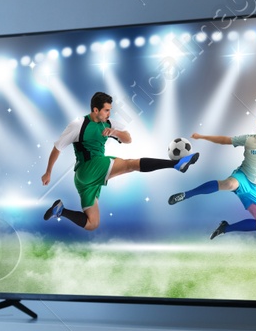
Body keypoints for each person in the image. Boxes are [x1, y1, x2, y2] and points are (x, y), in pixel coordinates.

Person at [40, 91, 198, 230]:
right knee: (131, 164)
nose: (109, 114)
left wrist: (114, 132)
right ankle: (175, 164)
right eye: (106, 110)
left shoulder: (109, 123)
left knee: (92, 224)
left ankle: (61, 210)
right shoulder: (78, 124)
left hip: (83, 180)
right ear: (96, 110)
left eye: (110, 110)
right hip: (90, 166)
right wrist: (48, 172)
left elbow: (128, 138)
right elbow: (57, 148)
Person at [169, 100, 256, 238]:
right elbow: (225, 140)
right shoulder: (249, 139)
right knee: (229, 184)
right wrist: (202, 137)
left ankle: (225, 228)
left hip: (253, 187)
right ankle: (186, 195)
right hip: (242, 176)